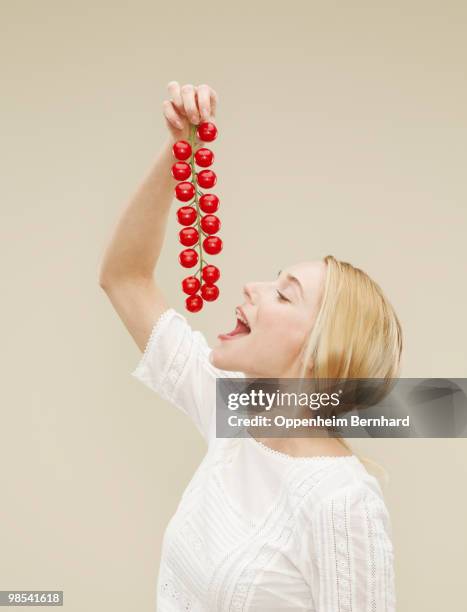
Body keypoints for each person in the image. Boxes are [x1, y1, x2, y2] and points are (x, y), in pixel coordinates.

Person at [99, 81, 401, 611]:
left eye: (285, 294)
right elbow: (125, 278)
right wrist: (179, 151)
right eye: (272, 278)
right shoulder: (235, 412)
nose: (253, 289)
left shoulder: (342, 503)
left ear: (320, 352)